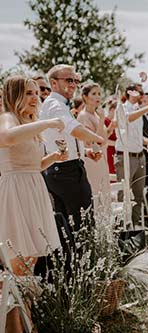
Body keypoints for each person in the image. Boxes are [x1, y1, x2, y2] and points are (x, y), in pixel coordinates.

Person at [0, 75, 66, 332]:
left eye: (36, 93)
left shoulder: (29, 122)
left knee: (30, 262)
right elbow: (6, 138)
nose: (35, 97)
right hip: (15, 191)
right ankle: (13, 326)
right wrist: (47, 123)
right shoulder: (8, 118)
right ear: (14, 95)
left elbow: (34, 165)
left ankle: (26, 319)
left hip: (33, 188)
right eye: (28, 93)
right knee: (16, 263)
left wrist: (54, 157)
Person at [40, 64, 105, 231]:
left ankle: (73, 257)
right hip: (66, 171)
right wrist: (97, 138)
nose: (73, 84)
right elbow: (74, 129)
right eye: (69, 80)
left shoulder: (58, 104)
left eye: (75, 80)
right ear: (54, 83)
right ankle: (87, 256)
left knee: (69, 226)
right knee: (84, 224)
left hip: (61, 169)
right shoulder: (55, 104)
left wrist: (87, 152)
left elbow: (64, 137)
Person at [114, 83, 148, 224]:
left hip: (140, 156)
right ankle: (122, 228)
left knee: (138, 195)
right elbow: (128, 119)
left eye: (142, 92)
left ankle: (135, 227)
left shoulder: (138, 110)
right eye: (139, 92)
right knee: (124, 195)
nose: (141, 95)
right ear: (129, 92)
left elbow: (136, 136)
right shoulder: (121, 107)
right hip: (125, 157)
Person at [77, 82, 110, 196]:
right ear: (85, 97)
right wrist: (102, 120)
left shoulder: (96, 115)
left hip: (102, 158)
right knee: (95, 192)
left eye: (99, 93)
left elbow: (104, 139)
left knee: (104, 192)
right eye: (94, 93)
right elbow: (93, 141)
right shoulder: (83, 116)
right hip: (92, 159)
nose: (98, 96)